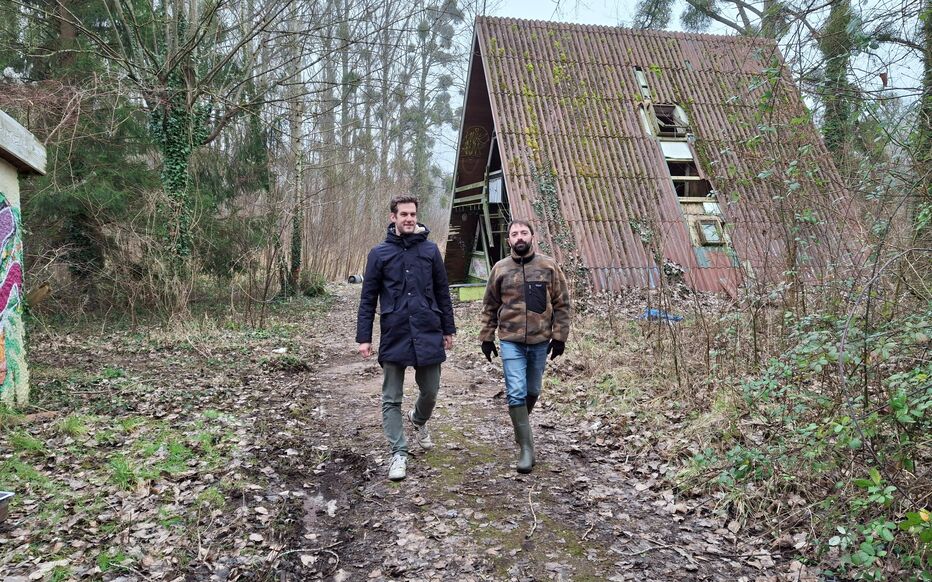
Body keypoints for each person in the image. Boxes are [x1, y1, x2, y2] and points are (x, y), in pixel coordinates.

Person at [357, 195, 456, 481]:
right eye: (403, 214)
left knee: (431, 390)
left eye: (412, 214)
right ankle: (398, 453)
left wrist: (448, 329)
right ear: (393, 218)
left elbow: (442, 291)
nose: (409, 218)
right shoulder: (379, 254)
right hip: (394, 332)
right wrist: (364, 337)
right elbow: (367, 299)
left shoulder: (430, 251)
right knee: (391, 398)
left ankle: (419, 419)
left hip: (428, 329)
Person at [478, 219, 571, 474]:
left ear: (532, 236)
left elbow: (562, 304)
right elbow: (489, 306)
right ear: (508, 240)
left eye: (524, 233)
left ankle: (521, 428)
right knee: (516, 392)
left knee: (532, 390)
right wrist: (486, 337)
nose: (519, 237)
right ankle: (526, 449)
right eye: (514, 234)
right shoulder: (500, 269)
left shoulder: (548, 266)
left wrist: (560, 336)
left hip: (540, 341)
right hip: (510, 341)